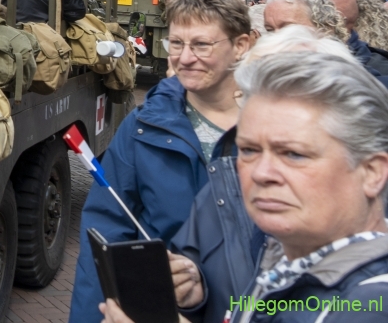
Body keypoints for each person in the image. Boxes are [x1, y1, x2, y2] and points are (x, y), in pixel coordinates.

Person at [115, 50, 388, 323]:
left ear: (372, 172)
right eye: (248, 150)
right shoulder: (282, 260)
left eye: (294, 154)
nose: (261, 173)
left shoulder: (371, 305)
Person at [69, 0, 253, 322]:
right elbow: (107, 231)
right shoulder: (143, 127)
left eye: (201, 45)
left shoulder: (271, 130)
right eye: (176, 43)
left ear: (240, 46)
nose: (185, 58)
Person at [264, 0, 388, 75]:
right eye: (269, 30)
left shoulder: (369, 84)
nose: (276, 39)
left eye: (289, 29)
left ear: (327, 26)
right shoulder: (266, 77)